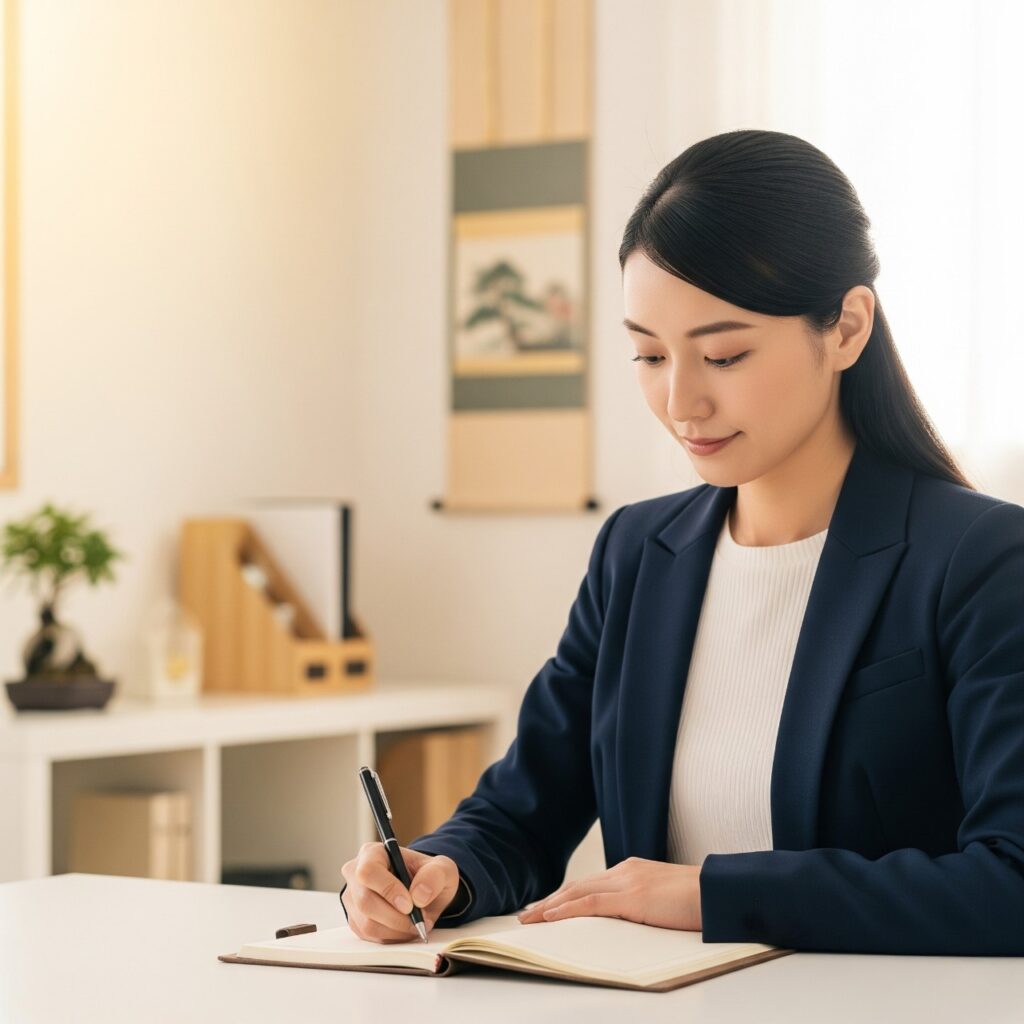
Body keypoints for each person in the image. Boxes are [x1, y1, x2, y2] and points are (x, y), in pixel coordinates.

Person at [339, 130, 1024, 954]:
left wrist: (713, 894)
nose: (680, 401)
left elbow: (1008, 882)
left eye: (724, 355)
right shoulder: (638, 551)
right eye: (648, 353)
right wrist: (440, 870)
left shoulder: (980, 560)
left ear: (845, 328)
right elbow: (524, 811)